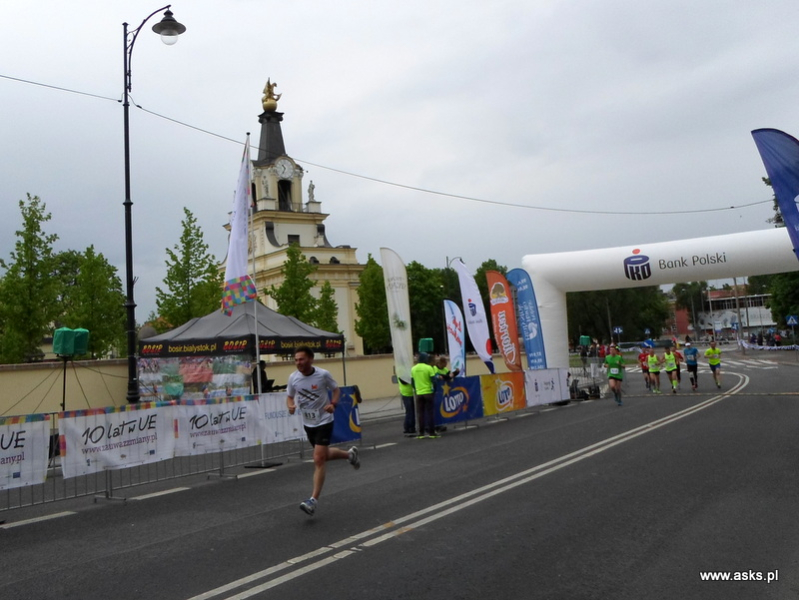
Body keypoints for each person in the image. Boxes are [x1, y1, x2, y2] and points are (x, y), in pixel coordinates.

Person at [286, 346, 360, 517]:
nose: (298, 363)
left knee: (318, 458)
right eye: (296, 360)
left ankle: (313, 501)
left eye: (301, 359)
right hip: (308, 423)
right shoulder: (293, 377)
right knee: (324, 455)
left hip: (324, 420)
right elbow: (289, 396)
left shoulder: (323, 374)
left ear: (311, 359)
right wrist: (290, 406)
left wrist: (333, 404)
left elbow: (336, 390)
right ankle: (349, 455)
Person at [411, 353, 438, 439]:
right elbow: (434, 381)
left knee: (420, 413)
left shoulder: (413, 369)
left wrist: (416, 390)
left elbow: (412, 382)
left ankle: (421, 433)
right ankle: (432, 432)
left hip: (419, 393)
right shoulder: (428, 368)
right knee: (430, 413)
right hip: (428, 392)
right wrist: (434, 390)